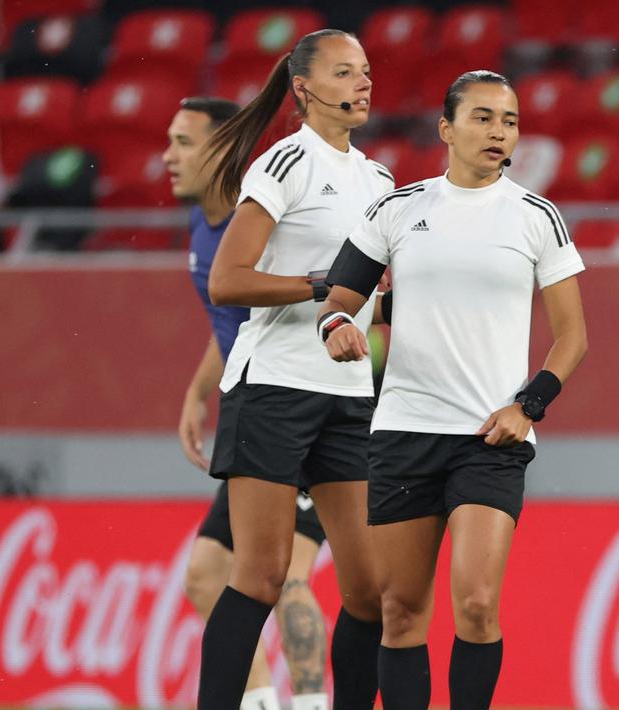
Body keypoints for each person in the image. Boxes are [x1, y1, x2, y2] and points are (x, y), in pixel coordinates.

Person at [315, 70, 588, 710]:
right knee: (400, 610)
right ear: (446, 128)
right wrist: (334, 328)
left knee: (476, 603)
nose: (500, 132)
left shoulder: (536, 216)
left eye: (510, 121)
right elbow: (340, 300)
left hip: (488, 440)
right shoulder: (397, 209)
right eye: (484, 117)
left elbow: (572, 338)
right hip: (405, 432)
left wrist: (528, 406)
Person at [198, 29, 394, 710]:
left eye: (366, 72)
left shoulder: (379, 180)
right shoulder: (284, 164)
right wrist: (324, 286)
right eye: (345, 73)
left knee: (370, 590)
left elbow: (379, 297)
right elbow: (228, 280)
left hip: (347, 394)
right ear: (304, 89)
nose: (363, 83)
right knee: (260, 574)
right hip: (275, 386)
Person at [166, 95, 332, 710]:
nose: (167, 156)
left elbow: (335, 302)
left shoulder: (262, 219)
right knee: (209, 574)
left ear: (222, 149)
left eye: (183, 142)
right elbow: (233, 321)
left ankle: (312, 703)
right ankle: (263, 702)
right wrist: (197, 392)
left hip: (305, 411)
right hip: (257, 414)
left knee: (285, 573)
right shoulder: (205, 223)